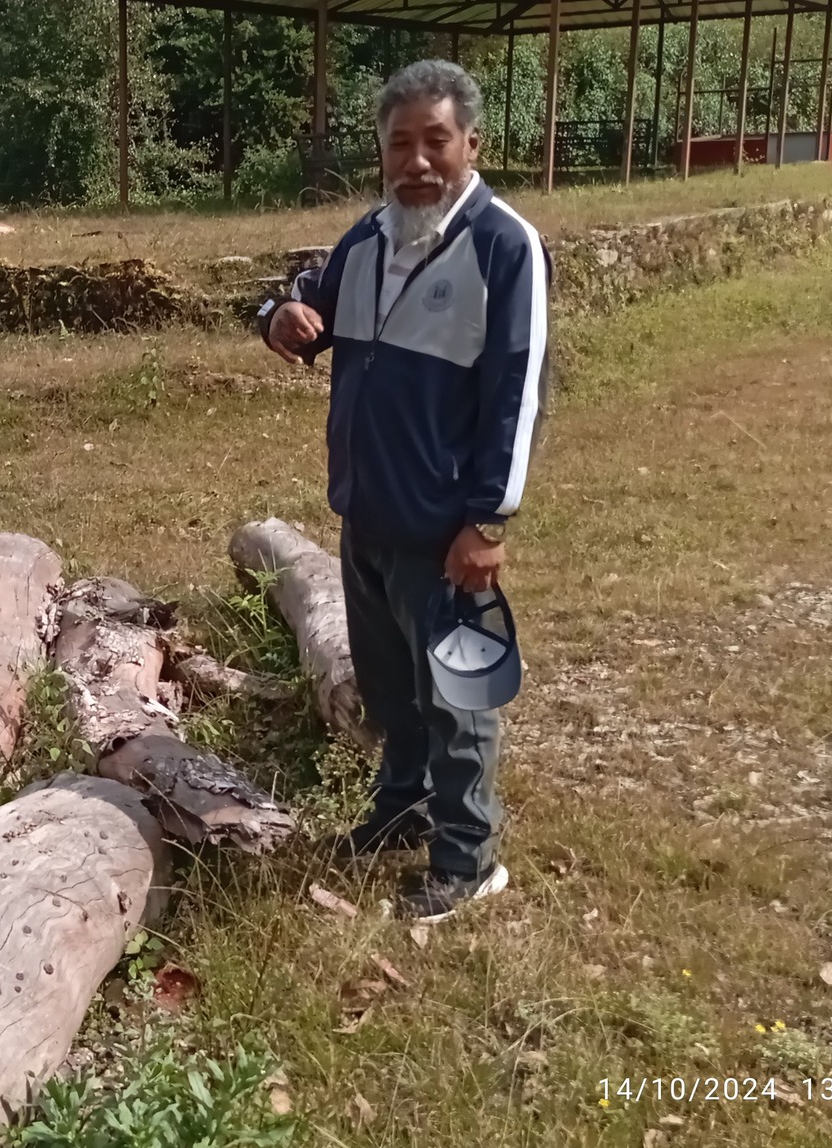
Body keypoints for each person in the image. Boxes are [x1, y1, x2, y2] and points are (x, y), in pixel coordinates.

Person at [261, 60, 549, 922]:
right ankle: (403, 809)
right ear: (382, 152)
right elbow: (300, 310)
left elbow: (518, 394)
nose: (417, 162)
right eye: (400, 145)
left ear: (471, 144)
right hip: (367, 516)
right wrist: (277, 317)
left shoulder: (503, 247)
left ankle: (468, 858)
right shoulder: (368, 240)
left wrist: (487, 520)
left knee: (458, 700)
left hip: (443, 529)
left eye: (436, 141)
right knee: (393, 691)